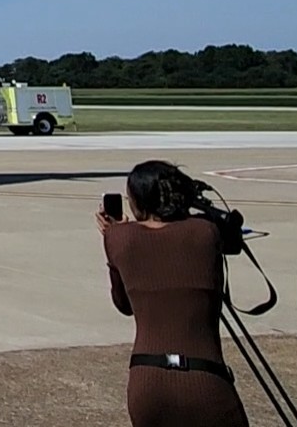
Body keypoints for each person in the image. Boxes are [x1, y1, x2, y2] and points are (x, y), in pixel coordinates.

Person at [98, 160, 249, 427]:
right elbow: (229, 236)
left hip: (148, 383)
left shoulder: (118, 238)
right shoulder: (205, 232)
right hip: (204, 378)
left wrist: (113, 234)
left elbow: (123, 305)